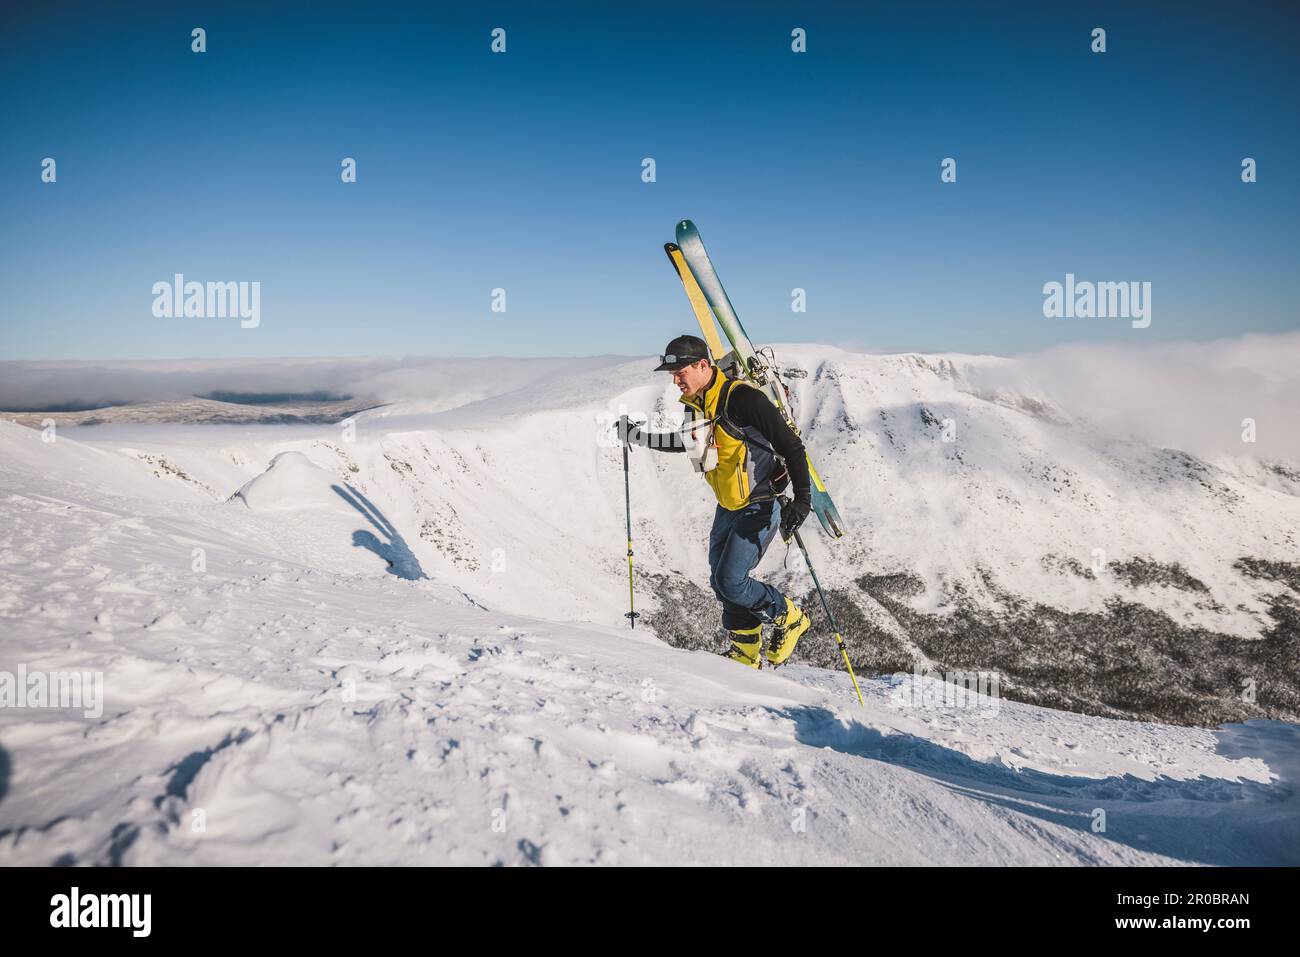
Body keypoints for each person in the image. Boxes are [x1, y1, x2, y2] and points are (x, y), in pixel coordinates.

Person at [615, 334, 811, 668]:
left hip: (760, 502)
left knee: (730, 581)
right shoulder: (698, 404)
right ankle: (746, 652)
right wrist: (640, 436)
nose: (675, 381)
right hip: (729, 505)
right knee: (720, 580)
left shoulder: (743, 400)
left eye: (680, 373)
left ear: (703, 365)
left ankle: (789, 617)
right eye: (672, 375)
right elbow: (689, 444)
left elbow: (791, 445)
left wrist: (802, 502)